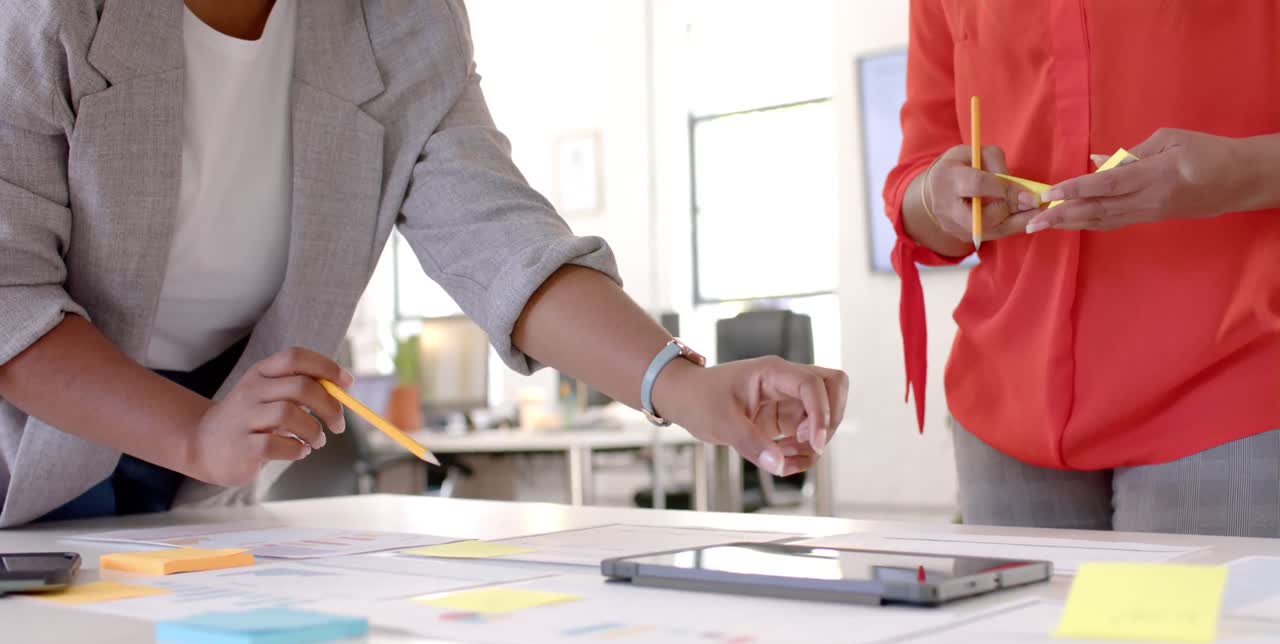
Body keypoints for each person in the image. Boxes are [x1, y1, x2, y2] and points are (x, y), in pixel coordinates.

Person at [0, 0, 847, 527]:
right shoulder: (44, 15)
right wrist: (192, 433)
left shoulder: (400, 21)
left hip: (203, 470)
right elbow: (8, 290)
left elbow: (497, 235)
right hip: (33, 430)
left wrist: (684, 386)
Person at [886, 1, 1280, 536]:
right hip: (1005, 404)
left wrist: (1237, 172)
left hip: (1231, 380)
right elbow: (916, 183)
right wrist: (938, 198)